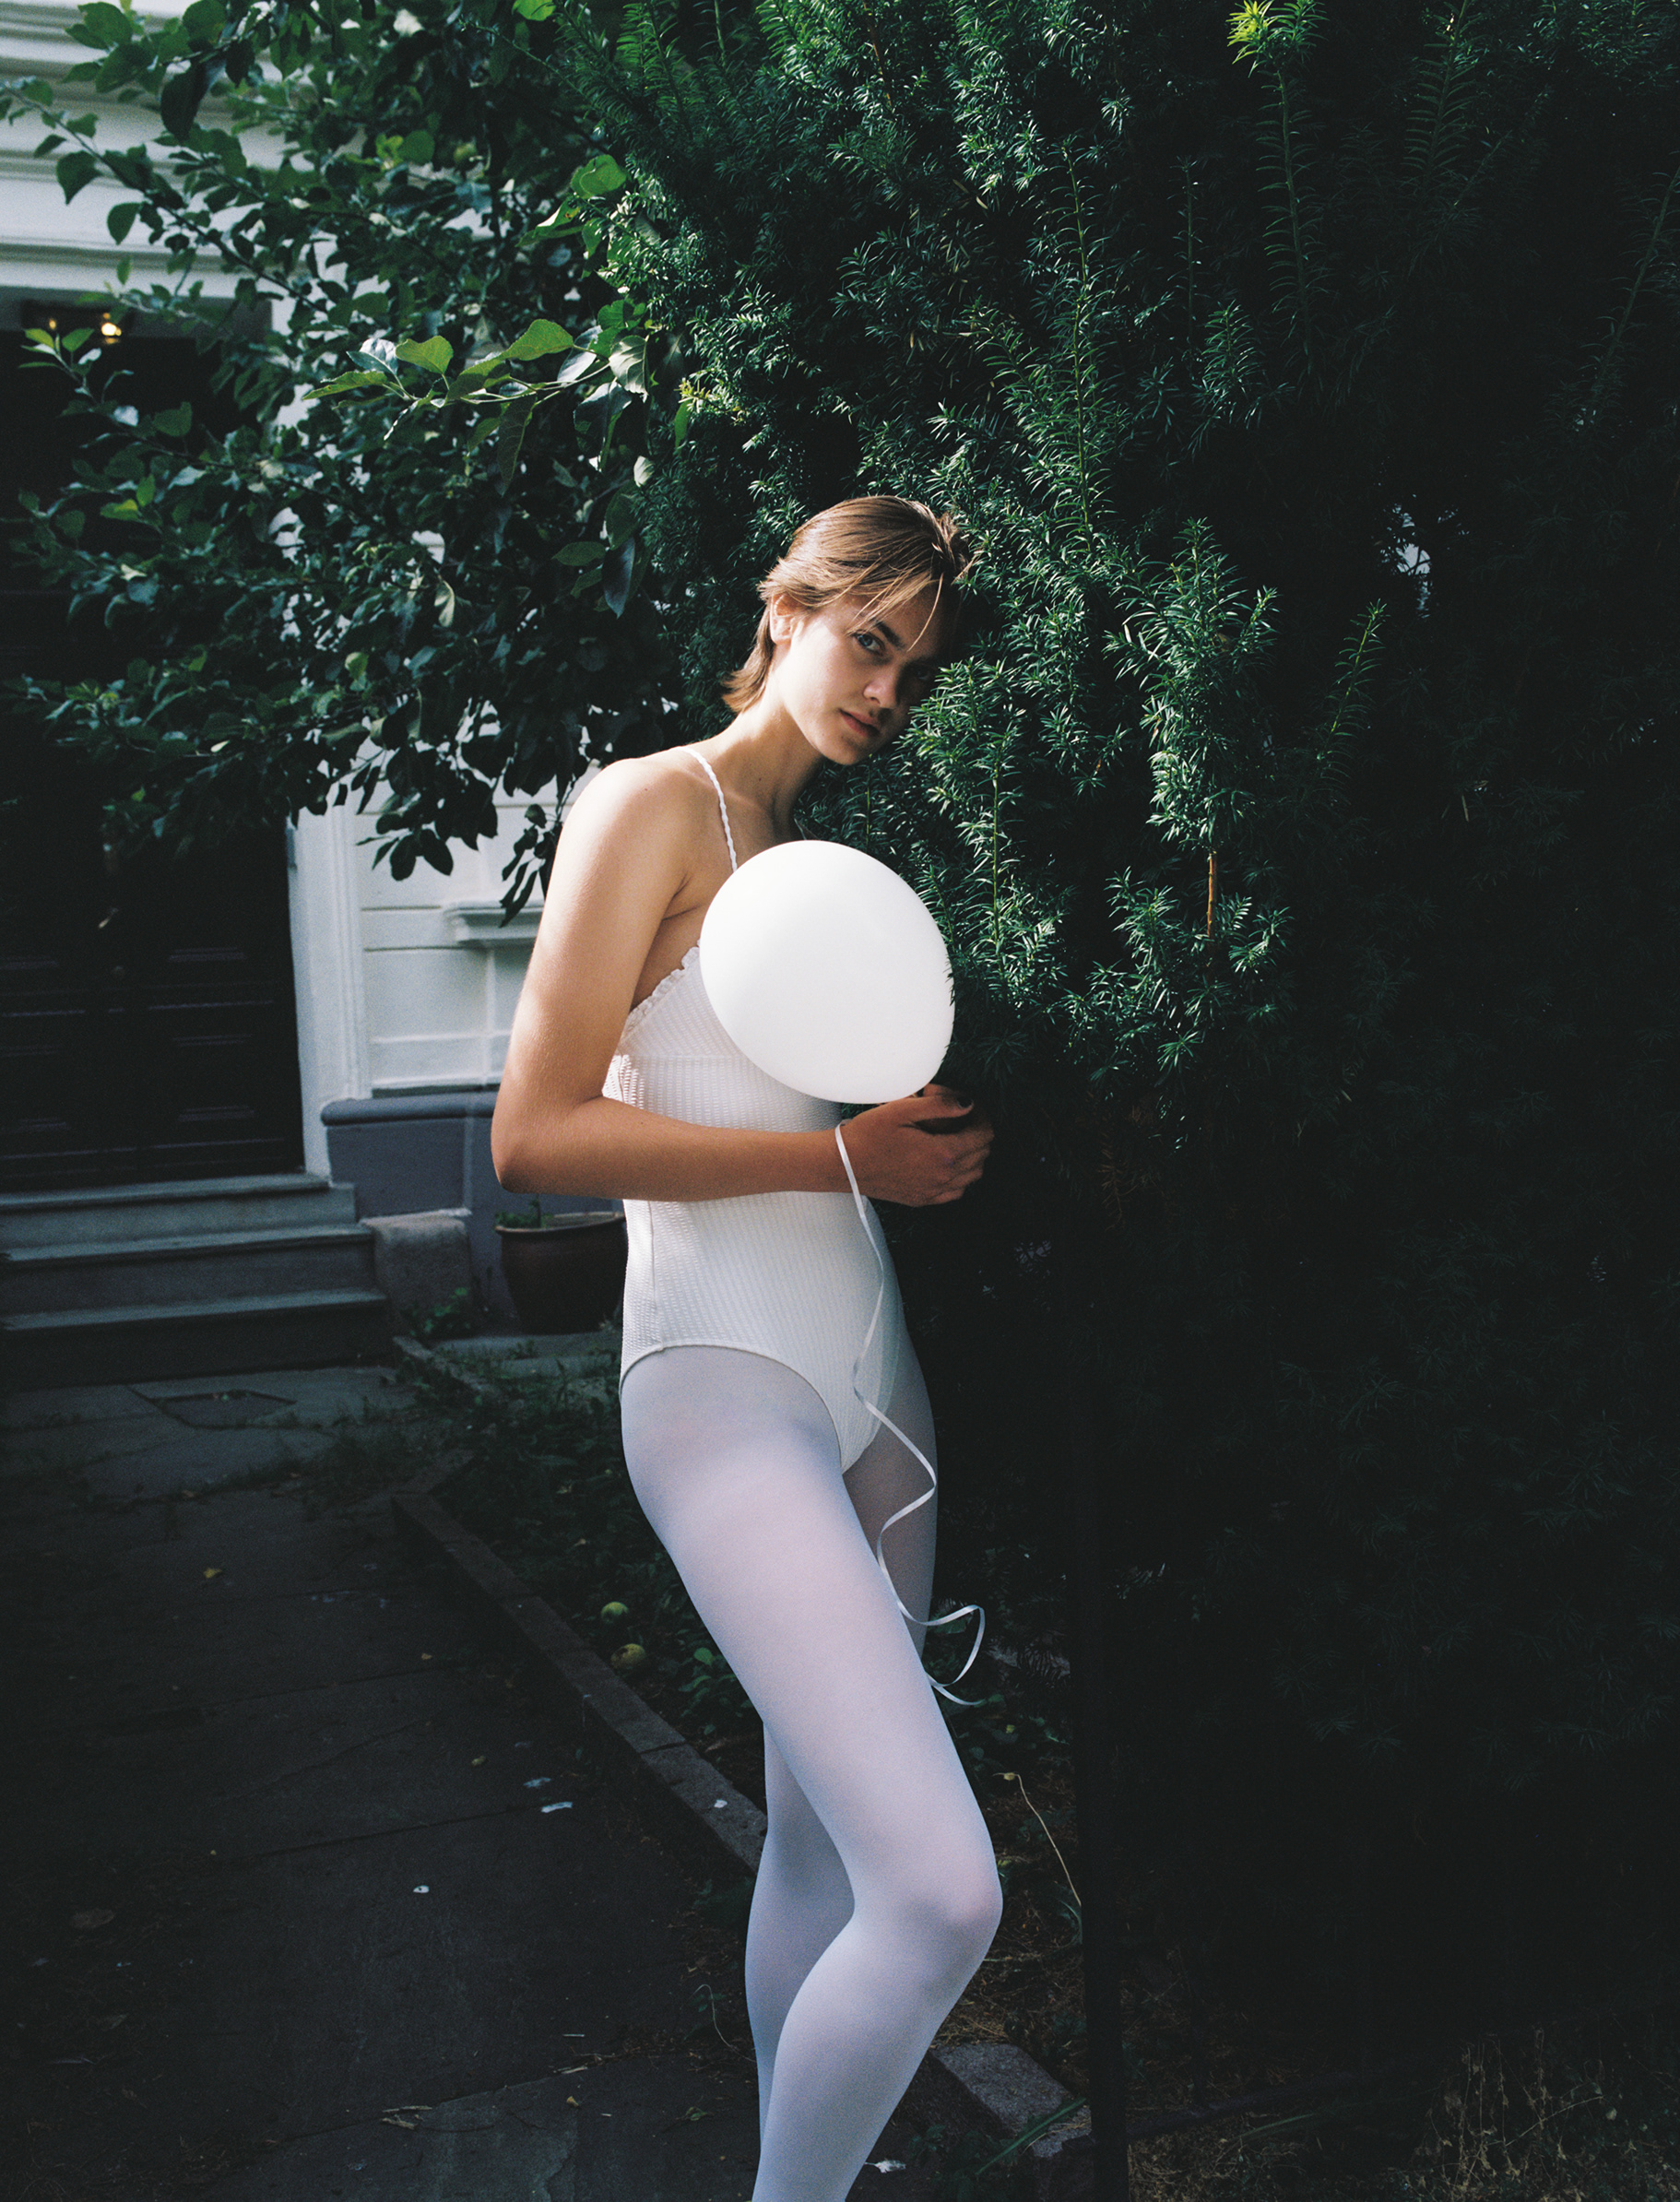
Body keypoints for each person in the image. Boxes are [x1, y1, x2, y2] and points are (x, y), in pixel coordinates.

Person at [491, 496, 1002, 2199]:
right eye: (872, 642)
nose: (888, 691)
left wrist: (911, 1139)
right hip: (720, 1385)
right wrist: (841, 1159)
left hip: (877, 1388)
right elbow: (532, 1137)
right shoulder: (651, 805)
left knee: (825, 1859)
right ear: (787, 609)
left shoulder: (817, 858)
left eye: (915, 670)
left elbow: (818, 1111)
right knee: (941, 1892)